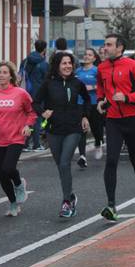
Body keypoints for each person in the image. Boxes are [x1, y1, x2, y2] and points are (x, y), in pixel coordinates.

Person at [96, 34, 135, 221]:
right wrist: (100, 101)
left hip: (134, 119)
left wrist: (127, 98)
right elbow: (101, 88)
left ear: (119, 48)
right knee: (111, 160)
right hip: (113, 120)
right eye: (105, 44)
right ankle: (111, 205)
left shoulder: (133, 66)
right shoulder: (102, 67)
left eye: (109, 45)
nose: (105, 48)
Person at [33, 52, 90, 218]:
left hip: (73, 129)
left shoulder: (77, 83)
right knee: (60, 165)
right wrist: (43, 113)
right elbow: (35, 102)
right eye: (64, 63)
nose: (67, 66)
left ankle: (66, 202)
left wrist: (85, 116)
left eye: (69, 63)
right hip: (54, 130)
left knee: (65, 163)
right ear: (57, 66)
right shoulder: (48, 84)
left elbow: (87, 100)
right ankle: (71, 195)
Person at [0, 61, 37, 217]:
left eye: (5, 72)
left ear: (11, 76)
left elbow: (32, 112)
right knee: (2, 174)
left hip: (16, 137)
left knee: (8, 168)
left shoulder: (20, 93)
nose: (1, 75)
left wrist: (28, 126)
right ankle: (12, 203)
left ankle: (19, 184)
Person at [75, 48, 104, 162]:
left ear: (94, 58)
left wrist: (92, 87)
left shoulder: (97, 71)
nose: (86, 56)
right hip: (80, 103)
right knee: (81, 129)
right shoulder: (78, 71)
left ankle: (98, 144)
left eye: (89, 55)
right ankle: (82, 155)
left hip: (93, 103)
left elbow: (103, 86)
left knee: (96, 128)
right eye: (85, 54)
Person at [20, 40, 49, 151]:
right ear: (44, 49)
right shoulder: (43, 64)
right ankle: (36, 144)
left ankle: (25, 144)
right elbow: (46, 80)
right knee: (37, 119)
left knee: (26, 117)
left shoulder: (25, 61)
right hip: (38, 95)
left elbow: (20, 75)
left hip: (25, 92)